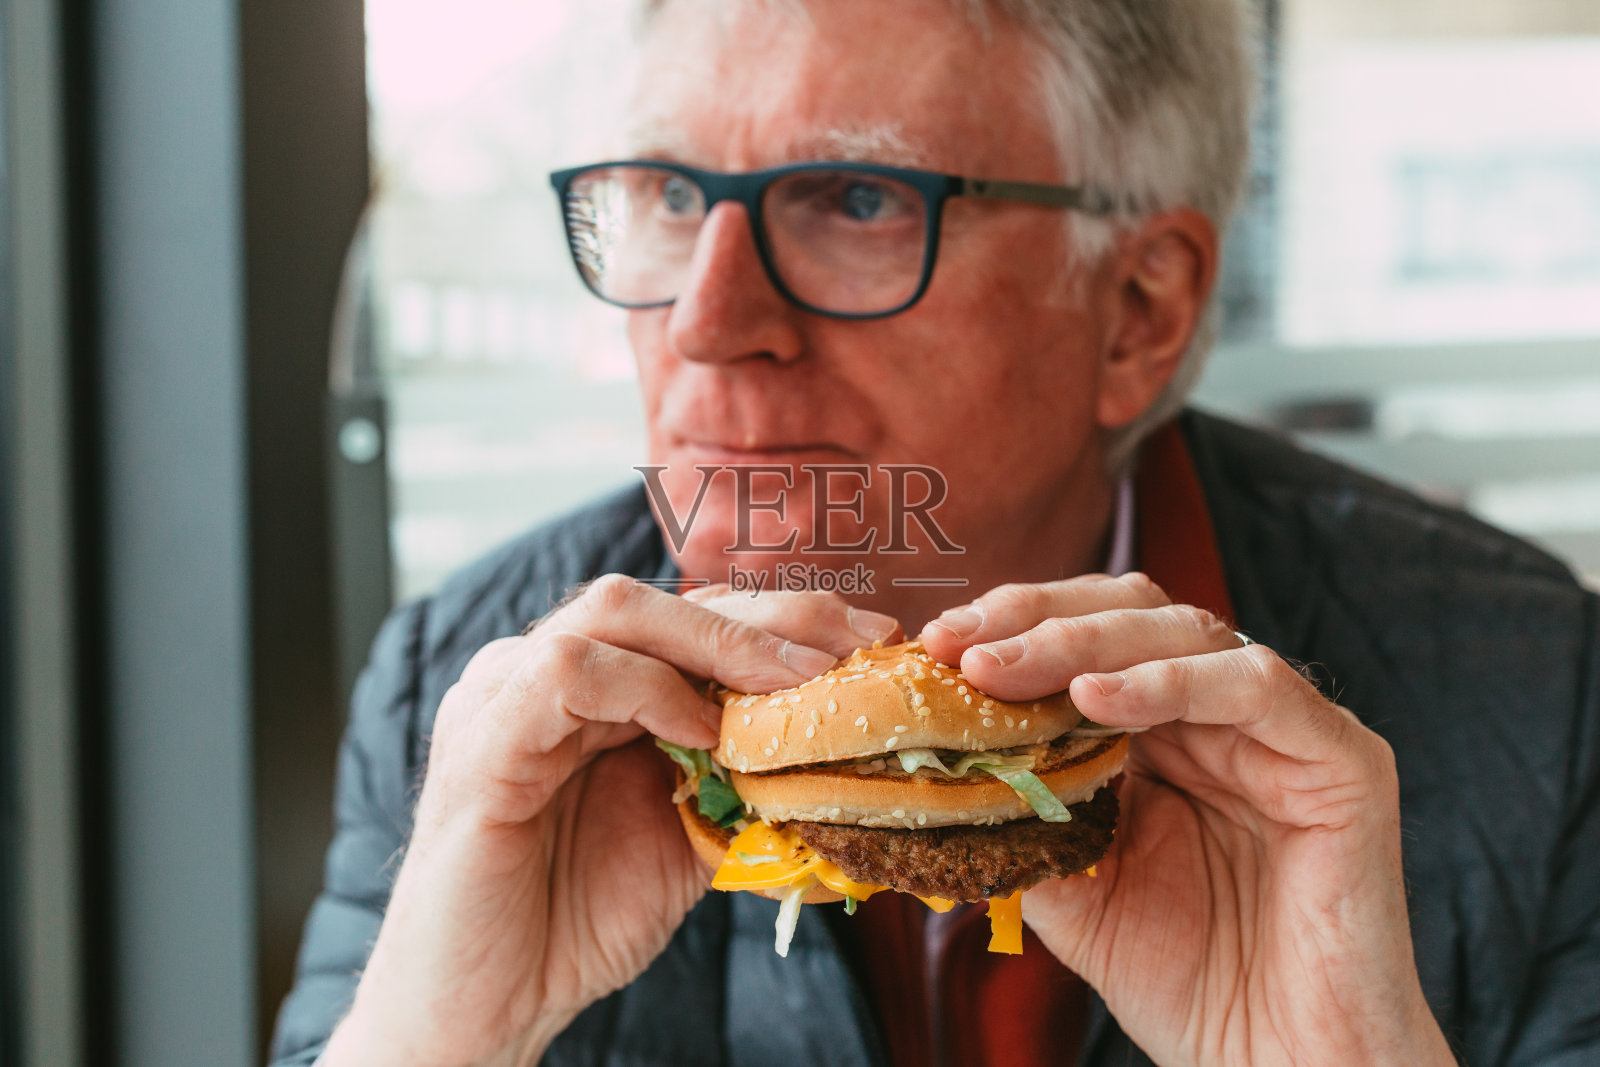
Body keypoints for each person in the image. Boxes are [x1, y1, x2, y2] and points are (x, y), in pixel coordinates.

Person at [270, 0, 1600, 1064]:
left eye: (856, 200)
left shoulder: (1540, 697)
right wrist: (435, 1043)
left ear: (1137, 311)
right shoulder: (469, 692)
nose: (707, 321)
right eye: (673, 200)